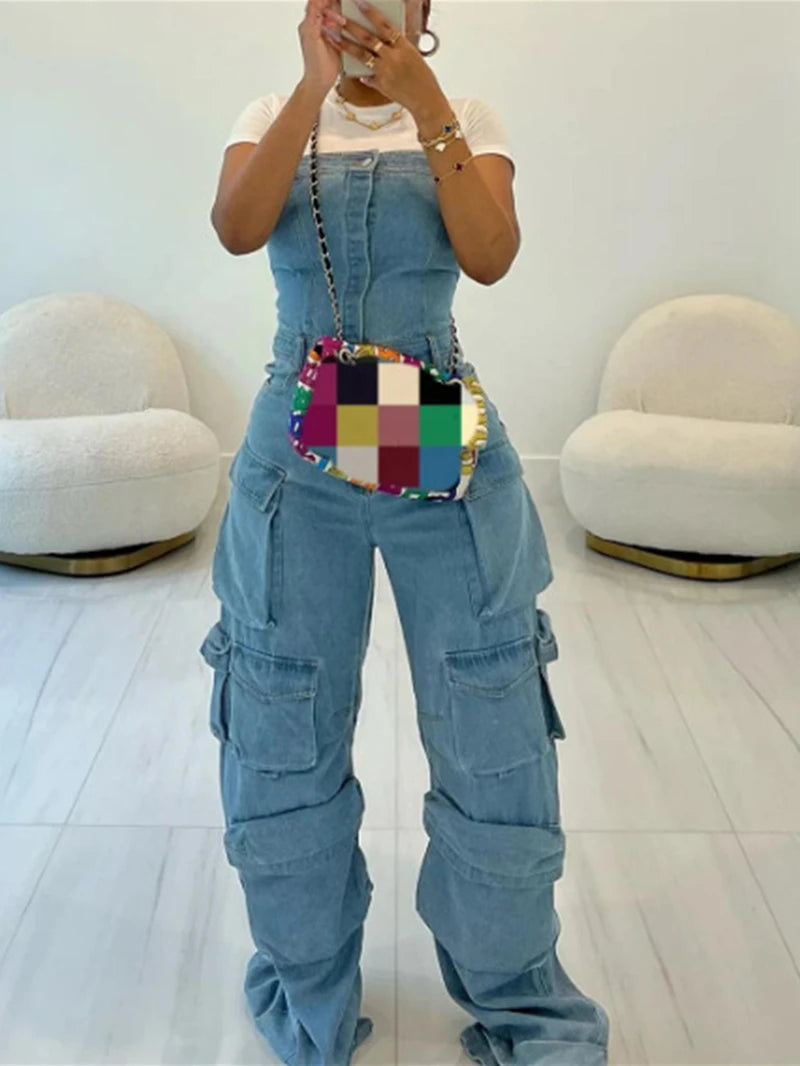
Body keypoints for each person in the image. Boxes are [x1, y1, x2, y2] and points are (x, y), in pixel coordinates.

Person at [200, 1, 611, 1063]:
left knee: (491, 725)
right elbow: (236, 227)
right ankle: (309, 991)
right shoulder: (270, 111)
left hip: (434, 429)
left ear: (427, 10)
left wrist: (427, 107)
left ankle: (521, 1000)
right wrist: (310, 88)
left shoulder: (466, 114)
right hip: (297, 447)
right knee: (281, 722)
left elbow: (492, 254)